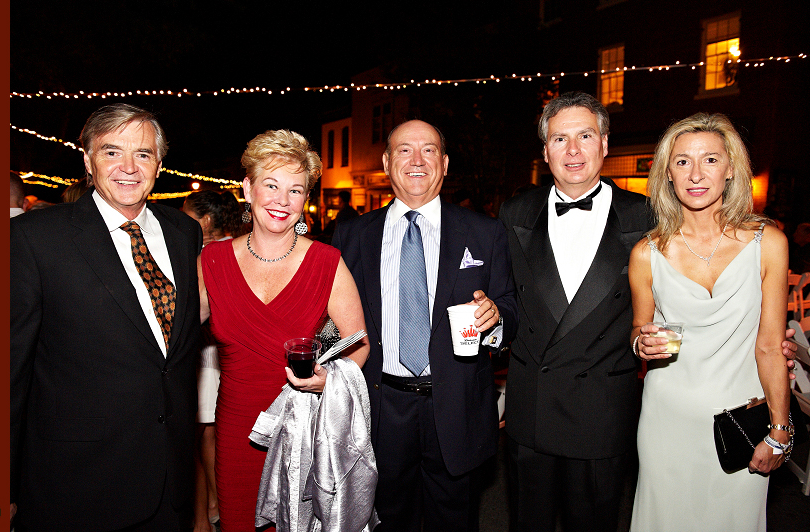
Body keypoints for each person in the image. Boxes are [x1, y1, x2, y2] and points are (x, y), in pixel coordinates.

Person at [11, 103, 203, 531]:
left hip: (169, 478)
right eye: (112, 152)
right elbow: (8, 371)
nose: (129, 168)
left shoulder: (184, 232)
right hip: (76, 481)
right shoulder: (34, 237)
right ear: (87, 160)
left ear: (159, 162)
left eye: (144, 154)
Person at [332, 119, 517, 531]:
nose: (417, 160)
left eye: (429, 150)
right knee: (386, 520)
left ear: (445, 163)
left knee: (454, 521)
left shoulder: (486, 232)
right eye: (404, 150)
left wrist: (498, 317)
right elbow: (331, 319)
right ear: (386, 162)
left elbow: (510, 305)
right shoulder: (352, 235)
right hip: (381, 407)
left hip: (457, 407)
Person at [499, 92, 657, 532]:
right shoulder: (515, 212)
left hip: (602, 411)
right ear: (544, 149)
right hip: (532, 409)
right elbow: (507, 300)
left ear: (604, 144)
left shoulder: (645, 217)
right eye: (559, 138)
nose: (572, 151)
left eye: (585, 136)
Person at [197, 129, 370, 532]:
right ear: (247, 188)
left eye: (295, 190)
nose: (281, 200)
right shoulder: (212, 261)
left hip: (301, 428)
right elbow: (171, 332)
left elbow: (358, 343)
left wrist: (330, 379)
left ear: (305, 199)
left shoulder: (327, 262)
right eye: (271, 185)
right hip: (237, 429)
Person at [629, 113, 791, 531]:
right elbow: (638, 329)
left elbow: (770, 346)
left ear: (731, 168)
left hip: (743, 420)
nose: (696, 174)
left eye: (710, 160)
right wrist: (639, 344)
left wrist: (779, 429)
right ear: (667, 173)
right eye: (682, 161)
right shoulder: (647, 253)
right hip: (668, 422)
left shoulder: (767, 243)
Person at [182, 190, 237, 532]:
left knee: (203, 433)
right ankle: (216, 507)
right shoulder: (245, 246)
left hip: (207, 352)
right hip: (217, 353)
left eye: (186, 213)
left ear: (203, 220)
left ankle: (211, 509)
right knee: (212, 432)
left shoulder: (205, 255)